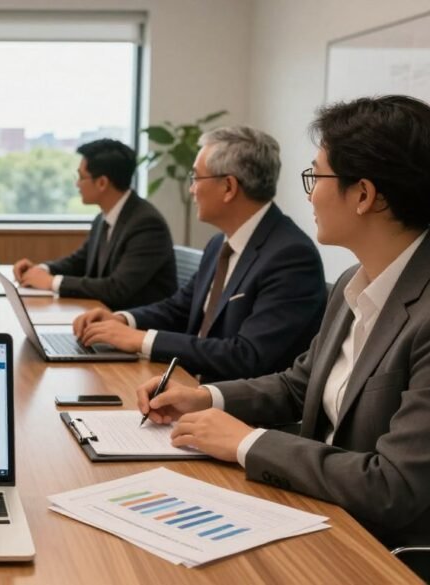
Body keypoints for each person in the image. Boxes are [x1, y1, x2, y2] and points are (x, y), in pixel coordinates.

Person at [135, 95, 430, 549]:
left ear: (365, 195)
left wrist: (247, 443)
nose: (309, 194)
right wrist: (203, 398)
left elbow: (392, 486)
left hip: (378, 548)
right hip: (313, 510)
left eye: (317, 176)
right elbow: (299, 385)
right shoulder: (355, 280)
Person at [73, 126, 326, 382]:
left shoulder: (290, 257)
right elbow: (180, 308)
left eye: (196, 178)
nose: (191, 189)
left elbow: (246, 356)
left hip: (236, 409)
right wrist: (123, 319)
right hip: (190, 386)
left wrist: (142, 340)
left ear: (228, 187)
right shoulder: (220, 243)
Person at [13, 139, 177, 308]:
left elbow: (117, 288)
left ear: (102, 183)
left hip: (137, 326)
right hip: (105, 315)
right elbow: (79, 262)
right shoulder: (104, 217)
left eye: (81, 177)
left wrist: (52, 282)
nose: (77, 184)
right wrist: (42, 270)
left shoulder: (147, 224)